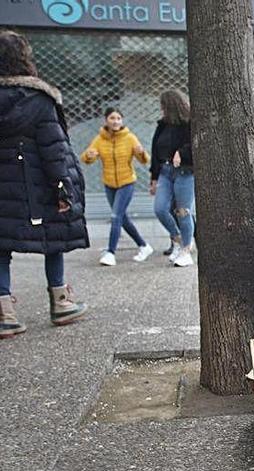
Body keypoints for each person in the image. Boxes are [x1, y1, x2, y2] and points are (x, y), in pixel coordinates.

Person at [0, 30, 88, 337]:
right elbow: (54, 150)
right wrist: (63, 188)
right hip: (37, 187)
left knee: (0, 247)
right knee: (55, 239)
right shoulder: (39, 100)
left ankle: (4, 313)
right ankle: (61, 302)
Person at [81, 107, 153, 266]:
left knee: (115, 216)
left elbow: (144, 160)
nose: (115, 121)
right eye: (112, 118)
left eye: (118, 118)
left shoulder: (130, 138)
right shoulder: (100, 139)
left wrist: (141, 153)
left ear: (122, 121)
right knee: (122, 218)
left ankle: (110, 253)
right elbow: (87, 158)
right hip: (109, 184)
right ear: (106, 120)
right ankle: (144, 245)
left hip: (127, 182)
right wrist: (89, 155)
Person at [150, 90, 195, 267]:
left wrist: (181, 153)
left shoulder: (189, 123)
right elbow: (155, 151)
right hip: (165, 171)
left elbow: (195, 143)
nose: (161, 109)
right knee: (160, 208)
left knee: (183, 211)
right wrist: (153, 177)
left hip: (185, 172)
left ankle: (186, 250)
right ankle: (177, 240)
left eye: (163, 106)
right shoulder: (162, 125)